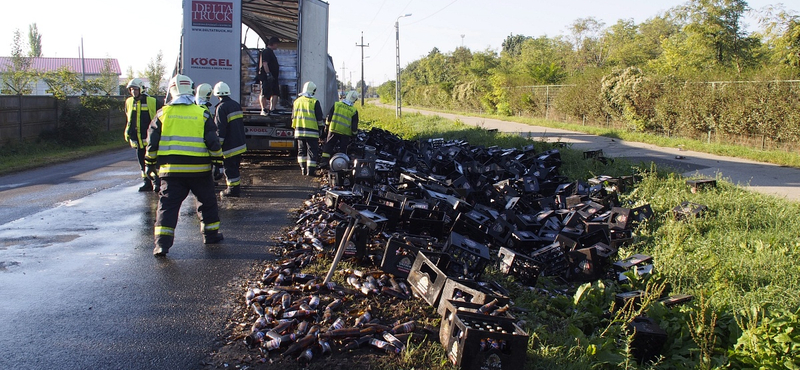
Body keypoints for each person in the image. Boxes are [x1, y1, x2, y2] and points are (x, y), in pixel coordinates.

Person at [144, 74, 225, 257]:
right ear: (191, 89)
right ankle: (210, 235)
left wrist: (149, 165)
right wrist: (218, 164)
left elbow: (152, 144)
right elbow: (213, 143)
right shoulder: (202, 113)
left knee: (167, 206)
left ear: (171, 91)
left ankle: (162, 245)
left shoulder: (162, 114)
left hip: (170, 172)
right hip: (199, 171)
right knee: (207, 203)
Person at [124, 78, 160, 192]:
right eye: (131, 89)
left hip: (149, 138)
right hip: (137, 139)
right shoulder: (129, 102)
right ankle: (146, 183)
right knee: (141, 162)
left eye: (135, 89)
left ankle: (157, 182)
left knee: (153, 161)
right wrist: (127, 132)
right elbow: (128, 118)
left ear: (141, 89)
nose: (133, 92)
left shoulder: (152, 101)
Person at [212, 81, 247, 197]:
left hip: (229, 146)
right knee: (235, 167)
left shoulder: (221, 108)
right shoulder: (235, 104)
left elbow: (220, 129)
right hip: (240, 143)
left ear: (217, 95)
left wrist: (218, 146)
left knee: (230, 168)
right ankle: (235, 187)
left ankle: (232, 189)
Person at [291, 81, 325, 176]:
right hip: (312, 132)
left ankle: (302, 168)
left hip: (299, 131)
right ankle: (310, 171)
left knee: (301, 150)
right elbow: (319, 118)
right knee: (312, 151)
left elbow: (293, 116)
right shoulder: (314, 102)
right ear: (313, 91)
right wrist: (321, 129)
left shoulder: (297, 101)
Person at [321, 90, 359, 168]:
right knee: (343, 150)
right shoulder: (354, 111)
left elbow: (329, 118)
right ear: (355, 100)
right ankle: (341, 165)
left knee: (328, 146)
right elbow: (354, 127)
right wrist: (354, 135)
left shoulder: (336, 105)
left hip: (333, 130)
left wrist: (326, 127)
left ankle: (324, 162)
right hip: (345, 133)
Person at [259, 36, 281, 116]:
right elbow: (265, 63)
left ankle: (272, 109)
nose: (277, 46)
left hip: (274, 77)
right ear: (273, 44)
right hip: (267, 77)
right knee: (264, 93)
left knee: (275, 92)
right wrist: (268, 74)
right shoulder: (266, 52)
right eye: (277, 44)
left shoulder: (271, 52)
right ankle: (263, 109)